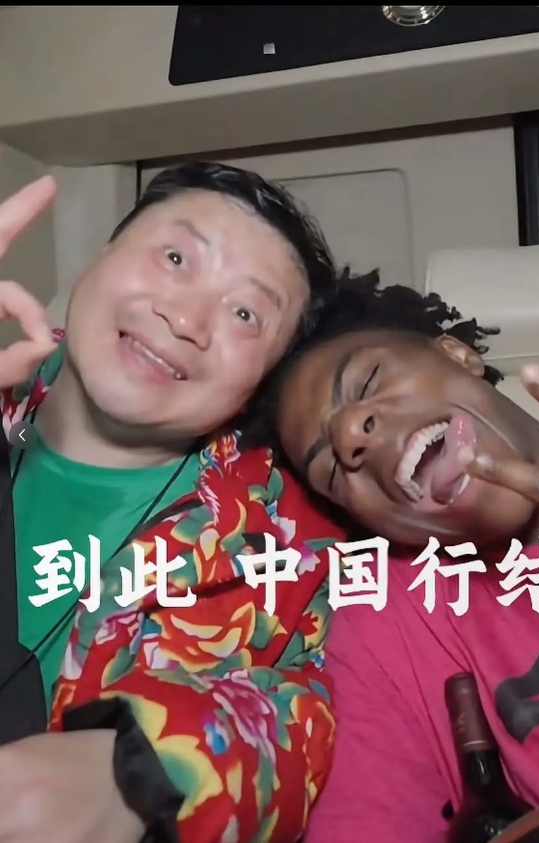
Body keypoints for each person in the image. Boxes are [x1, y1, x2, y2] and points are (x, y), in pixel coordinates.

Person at [267, 271, 539, 842]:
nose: (351, 433)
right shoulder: (390, 624)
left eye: (368, 379)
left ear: (458, 355)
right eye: (331, 469)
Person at [0, 160, 349, 843]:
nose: (186, 319)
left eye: (245, 314)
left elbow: (302, 720)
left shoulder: (286, 551)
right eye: (175, 258)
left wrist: (133, 773)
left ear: (260, 385)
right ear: (97, 258)